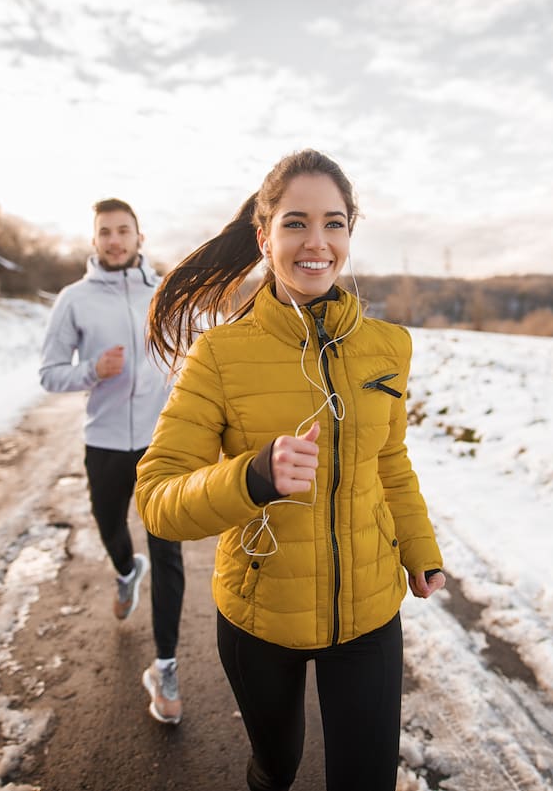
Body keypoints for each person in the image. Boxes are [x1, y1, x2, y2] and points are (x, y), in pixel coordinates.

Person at [135, 150, 446, 790]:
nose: (317, 242)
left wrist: (419, 547)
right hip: (260, 616)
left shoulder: (389, 347)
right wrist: (253, 476)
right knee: (277, 766)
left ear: (349, 234)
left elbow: (389, 459)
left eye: (334, 223)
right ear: (264, 235)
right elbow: (158, 497)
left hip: (367, 613)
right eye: (296, 222)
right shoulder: (219, 355)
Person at [39, 198, 185, 725]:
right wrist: (93, 371)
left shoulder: (165, 294)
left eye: (124, 230)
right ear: (95, 240)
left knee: (168, 554)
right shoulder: (73, 301)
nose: (116, 240)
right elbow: (50, 373)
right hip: (103, 442)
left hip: (161, 445)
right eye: (106, 232)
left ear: (139, 238)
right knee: (110, 529)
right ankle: (126, 572)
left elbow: (186, 356)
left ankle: (165, 668)